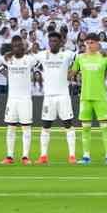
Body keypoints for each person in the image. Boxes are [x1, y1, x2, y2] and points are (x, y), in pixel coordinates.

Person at [70, 33, 107, 164]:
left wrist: (106, 77)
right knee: (85, 127)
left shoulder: (104, 57)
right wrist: (74, 78)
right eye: (87, 42)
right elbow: (72, 73)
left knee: (105, 127)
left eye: (92, 42)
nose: (89, 45)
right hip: (85, 97)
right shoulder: (80, 58)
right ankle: (86, 156)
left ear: (98, 43)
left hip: (100, 97)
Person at [37, 31, 77, 164]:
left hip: (63, 95)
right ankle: (43, 156)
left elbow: (81, 59)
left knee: (68, 124)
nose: (53, 43)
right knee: (46, 126)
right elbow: (28, 60)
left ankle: (72, 155)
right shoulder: (42, 55)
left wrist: (74, 71)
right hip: (48, 96)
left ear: (60, 43)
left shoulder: (67, 55)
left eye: (55, 41)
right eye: (51, 41)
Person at [2, 35, 39, 163]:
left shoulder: (30, 60)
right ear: (12, 47)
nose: (17, 48)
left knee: (26, 127)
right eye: (15, 46)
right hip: (12, 99)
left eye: (20, 45)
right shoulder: (7, 59)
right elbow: (0, 68)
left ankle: (25, 157)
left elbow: (39, 63)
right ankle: (9, 156)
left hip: (25, 99)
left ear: (24, 47)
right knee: (11, 127)